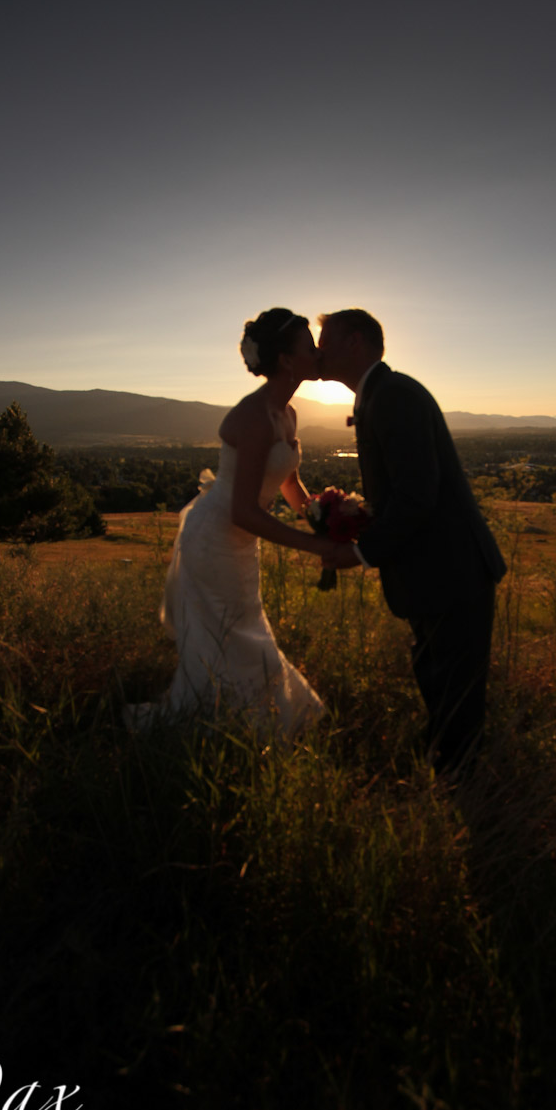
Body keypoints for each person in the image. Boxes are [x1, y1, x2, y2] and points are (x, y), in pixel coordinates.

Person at [125, 308, 334, 739]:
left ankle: (233, 721)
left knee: (240, 630)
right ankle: (217, 725)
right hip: (218, 536)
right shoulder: (255, 416)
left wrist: (322, 514)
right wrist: (319, 548)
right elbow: (244, 511)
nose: (318, 352)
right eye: (308, 345)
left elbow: (289, 483)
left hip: (240, 541)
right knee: (229, 636)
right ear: (286, 360)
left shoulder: (287, 414)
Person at [317, 308, 507, 777]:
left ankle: (463, 797)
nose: (319, 352)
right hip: (434, 575)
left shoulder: (393, 396)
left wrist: (359, 551)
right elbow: (406, 492)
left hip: (452, 574)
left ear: (355, 342)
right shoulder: (381, 395)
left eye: (326, 341)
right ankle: (447, 782)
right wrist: (362, 518)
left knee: (457, 699)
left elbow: (417, 495)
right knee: (440, 686)